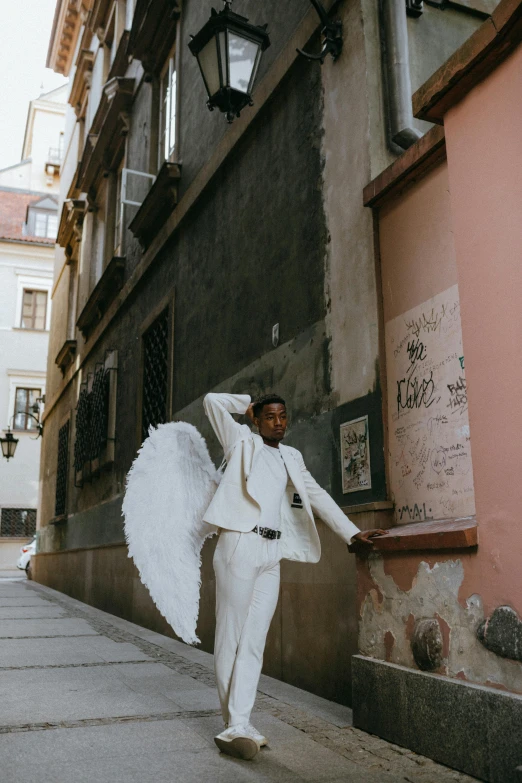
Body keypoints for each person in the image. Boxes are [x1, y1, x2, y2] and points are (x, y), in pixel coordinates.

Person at [203, 392, 387, 760]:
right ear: (257, 419)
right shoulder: (241, 441)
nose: (278, 422)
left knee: (255, 641)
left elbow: (317, 495)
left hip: (272, 553)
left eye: (283, 416)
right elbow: (211, 401)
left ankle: (240, 720)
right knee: (231, 636)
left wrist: (351, 533)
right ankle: (233, 721)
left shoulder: (292, 456)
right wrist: (248, 403)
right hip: (240, 544)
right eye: (269, 416)